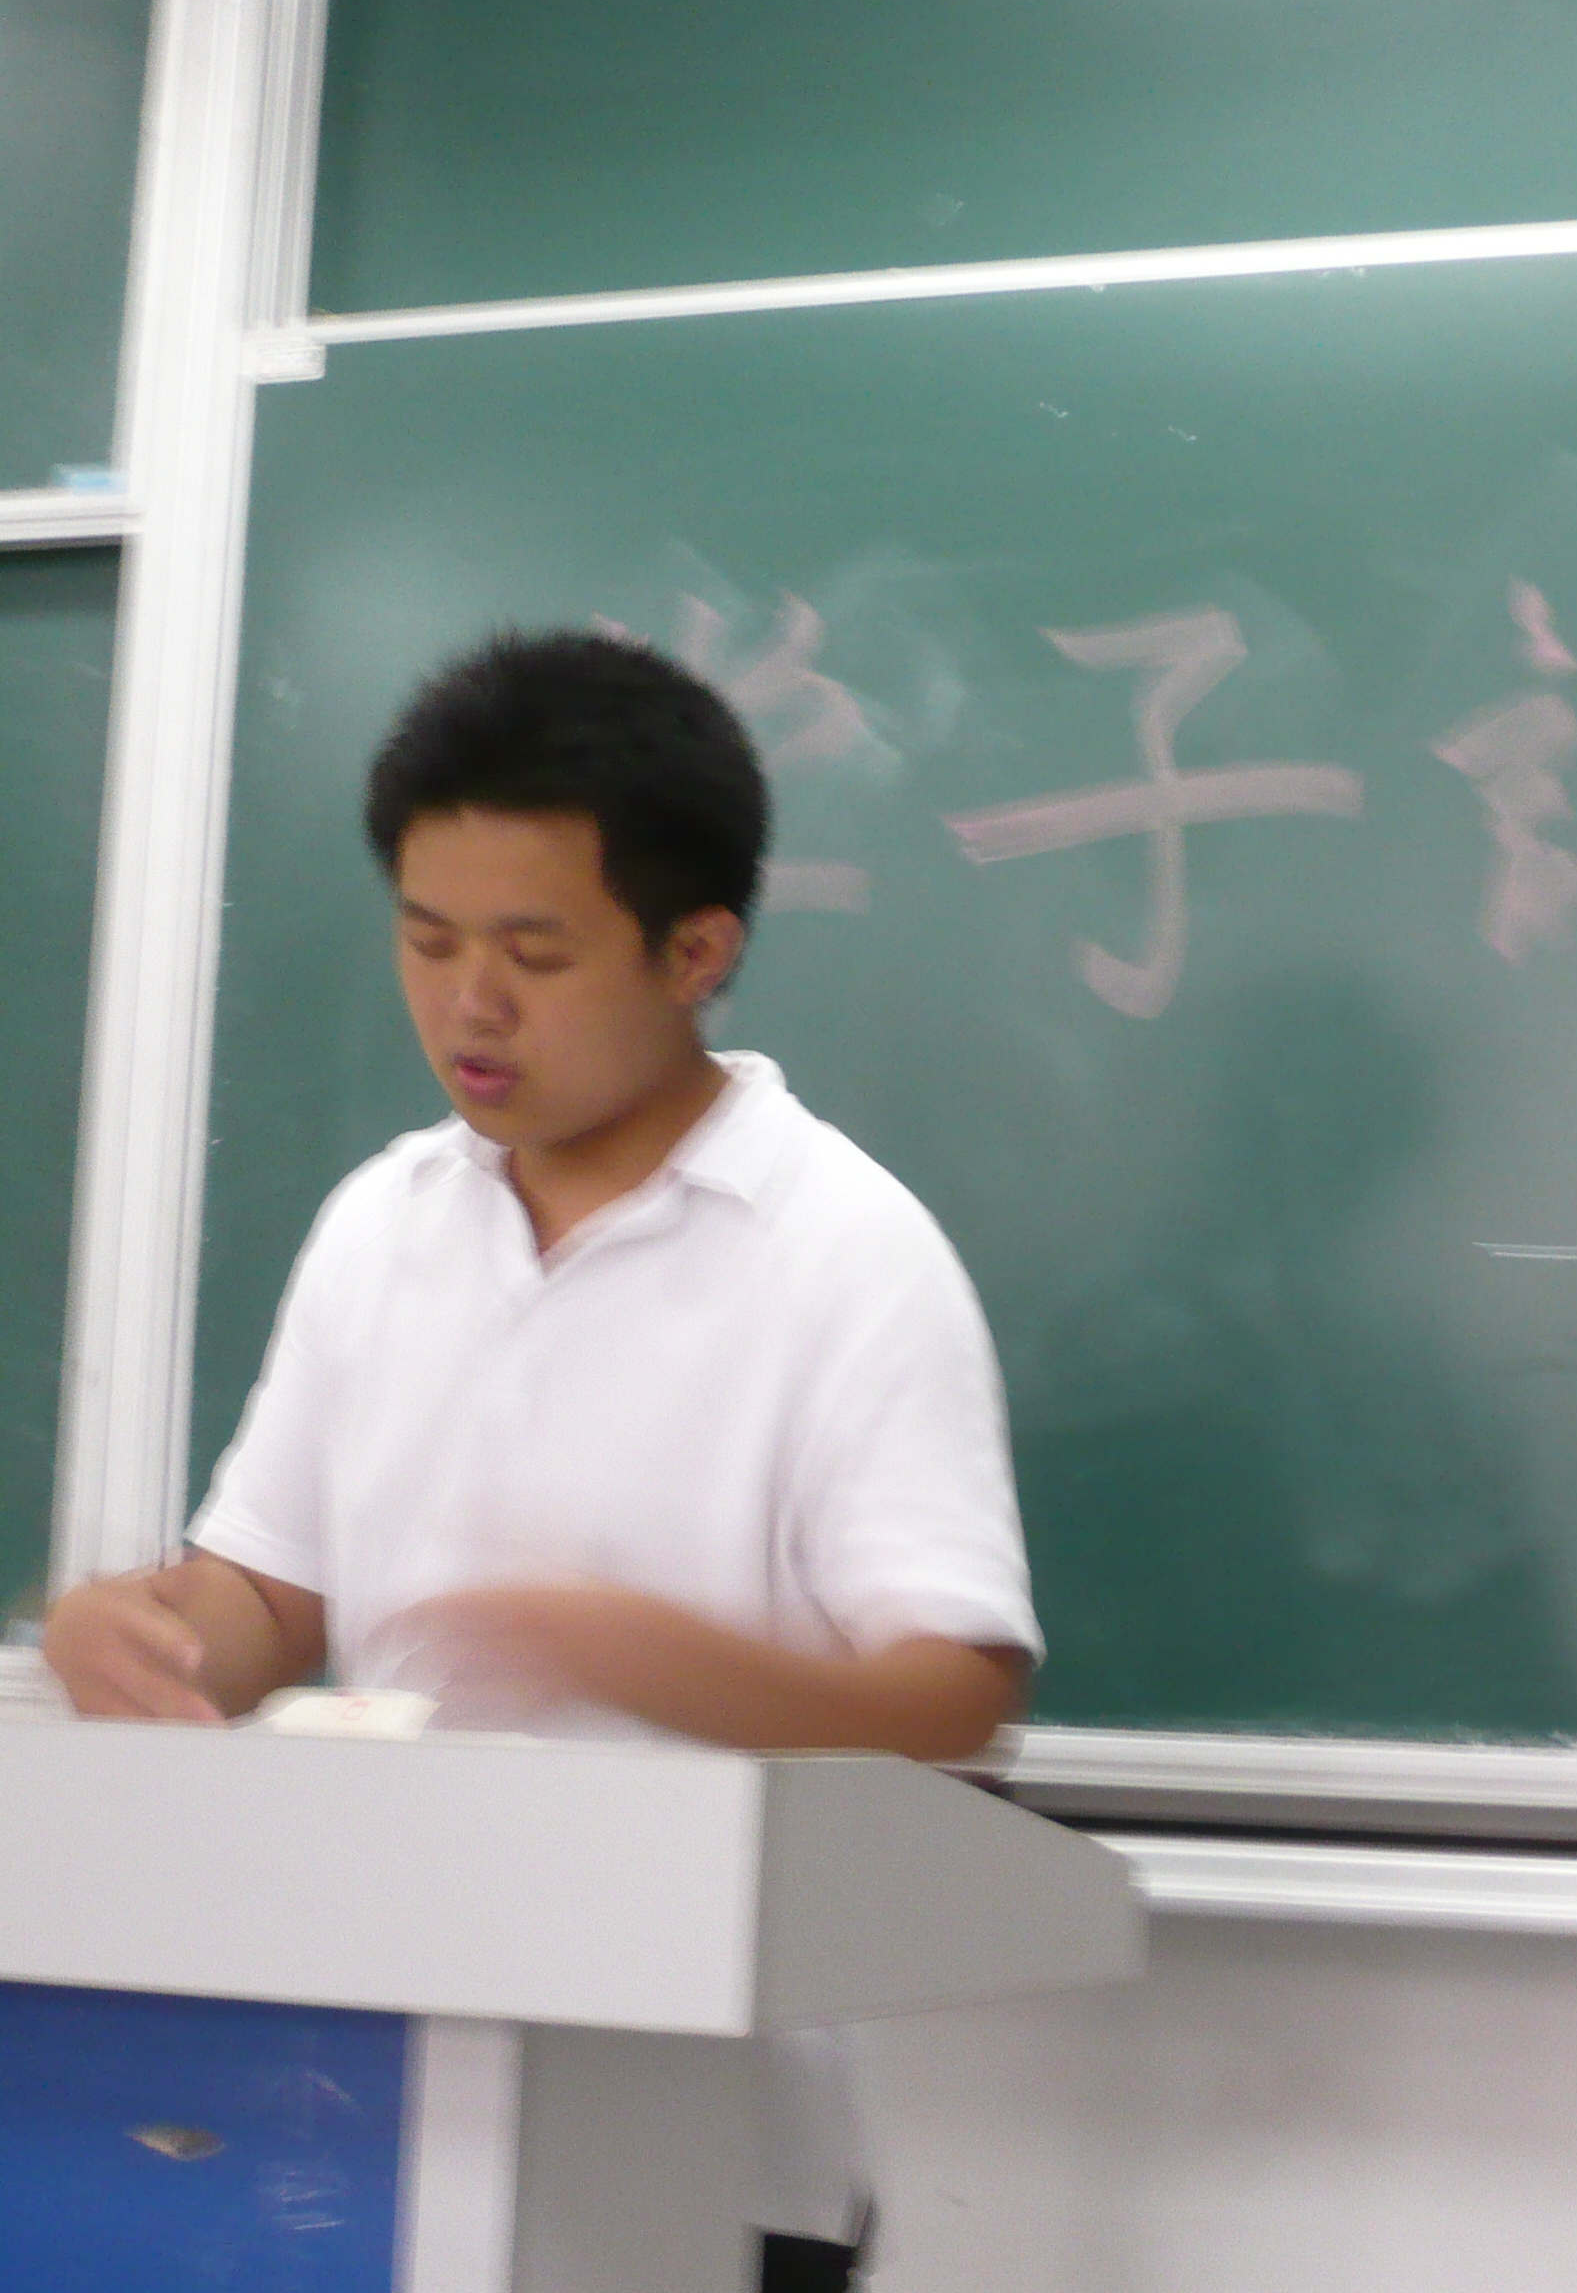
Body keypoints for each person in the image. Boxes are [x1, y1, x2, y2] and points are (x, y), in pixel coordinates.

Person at [41, 628, 1034, 2293]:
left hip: (711, 2152)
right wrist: (137, 1633)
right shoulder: (382, 1223)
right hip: (367, 2100)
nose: (468, 1004)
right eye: (427, 940)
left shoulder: (845, 1251)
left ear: (695, 950)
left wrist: (652, 1659)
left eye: (534, 953)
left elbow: (956, 1702)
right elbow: (270, 1599)